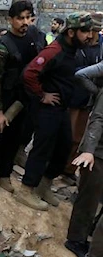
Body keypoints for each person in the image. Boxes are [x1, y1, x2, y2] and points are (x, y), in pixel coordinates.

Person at [17, 12, 94, 211]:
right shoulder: (54, 50)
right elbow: (30, 73)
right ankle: (26, 188)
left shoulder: (74, 50)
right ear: (71, 32)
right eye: (85, 31)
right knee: (42, 148)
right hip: (47, 109)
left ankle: (44, 185)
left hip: (62, 110)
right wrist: (42, 95)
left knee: (64, 147)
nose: (89, 36)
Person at [0, 1, 40, 193]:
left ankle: (5, 174)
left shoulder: (32, 40)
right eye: (20, 18)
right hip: (3, 98)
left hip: (23, 100)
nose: (25, 22)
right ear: (11, 20)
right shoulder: (3, 46)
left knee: (15, 137)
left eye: (28, 18)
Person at [65, 63, 103, 257]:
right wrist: (89, 151)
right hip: (97, 153)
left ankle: (92, 231)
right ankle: (75, 240)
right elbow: (98, 120)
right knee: (88, 198)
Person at [63, 22, 103, 183]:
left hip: (89, 101)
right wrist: (98, 91)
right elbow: (79, 74)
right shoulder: (80, 47)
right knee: (69, 135)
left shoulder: (100, 47)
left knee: (79, 137)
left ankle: (69, 169)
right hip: (76, 96)